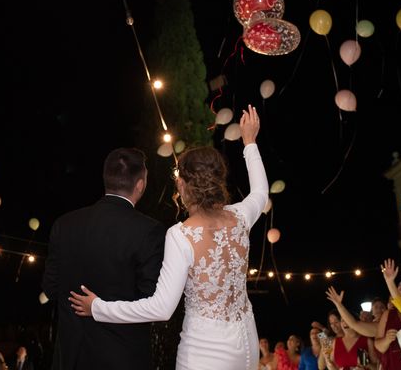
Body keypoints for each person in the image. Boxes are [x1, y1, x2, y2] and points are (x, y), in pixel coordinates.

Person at [69, 105, 269, 370]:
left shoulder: (181, 235)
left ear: (182, 185)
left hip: (205, 352)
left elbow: (161, 308)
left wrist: (99, 307)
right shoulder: (241, 217)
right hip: (246, 344)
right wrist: (250, 141)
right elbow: (261, 193)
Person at [42, 146, 166, 370]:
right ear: (140, 184)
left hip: (71, 358)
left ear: (106, 179)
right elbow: (150, 299)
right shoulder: (149, 231)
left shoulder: (64, 224)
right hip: (123, 358)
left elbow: (51, 287)